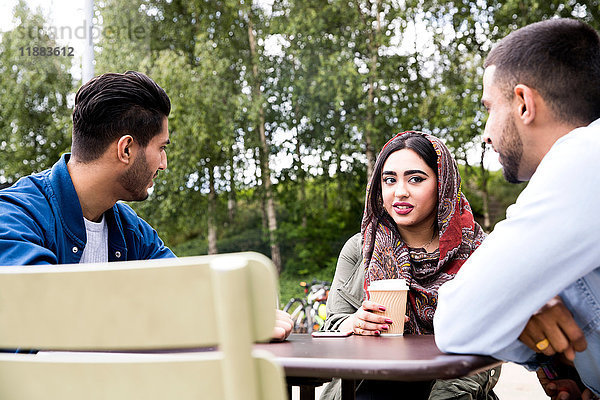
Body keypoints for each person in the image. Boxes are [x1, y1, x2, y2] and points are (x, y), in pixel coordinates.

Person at [0, 71, 292, 341]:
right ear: (126, 149)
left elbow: (188, 291)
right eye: (161, 148)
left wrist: (242, 316)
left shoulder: (131, 231)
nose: (164, 164)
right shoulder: (14, 216)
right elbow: (38, 322)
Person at [433, 18, 600, 398]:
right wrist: (528, 306)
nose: (486, 132)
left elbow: (458, 321)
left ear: (524, 103)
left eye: (490, 107)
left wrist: (511, 307)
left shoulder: (583, 158)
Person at [321, 131, 500, 400]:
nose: (400, 192)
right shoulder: (360, 248)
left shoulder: (478, 250)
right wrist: (354, 322)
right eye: (389, 180)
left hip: (452, 391)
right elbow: (331, 325)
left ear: (443, 183)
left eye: (416, 179)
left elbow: (493, 342)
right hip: (365, 387)